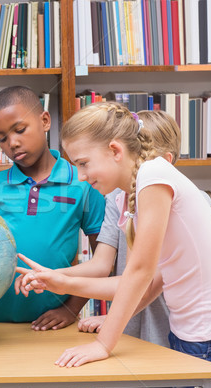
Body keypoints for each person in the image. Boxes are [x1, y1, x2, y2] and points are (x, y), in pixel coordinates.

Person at [15, 103, 211, 388]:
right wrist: (61, 281)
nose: (81, 176)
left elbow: (139, 272)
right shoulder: (128, 196)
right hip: (191, 333)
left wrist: (103, 344)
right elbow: (147, 280)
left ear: (115, 151)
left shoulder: (153, 175)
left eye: (83, 163)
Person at [0, 86, 105, 330]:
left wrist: (71, 309)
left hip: (54, 324)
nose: (12, 143)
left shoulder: (83, 182)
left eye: (20, 130)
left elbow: (104, 258)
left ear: (45, 121)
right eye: (1, 138)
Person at [70, 111, 180, 349]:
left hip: (166, 332)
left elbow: (148, 281)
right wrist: (53, 276)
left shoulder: (168, 194)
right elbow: (102, 264)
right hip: (125, 328)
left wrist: (111, 322)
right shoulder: (118, 198)